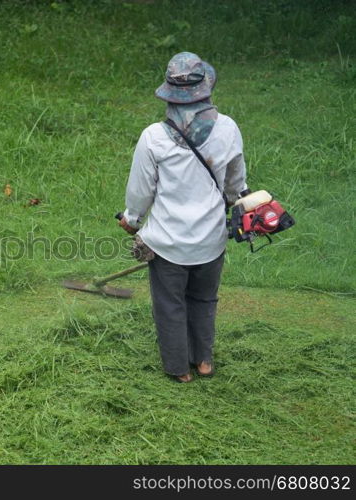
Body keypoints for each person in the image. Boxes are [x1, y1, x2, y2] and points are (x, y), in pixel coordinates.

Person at [118, 52, 247, 383]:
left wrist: (131, 220)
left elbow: (139, 193)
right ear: (205, 90)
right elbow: (236, 184)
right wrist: (230, 204)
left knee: (170, 305)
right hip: (211, 240)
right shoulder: (228, 129)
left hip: (167, 244)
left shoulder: (154, 137)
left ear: (170, 95)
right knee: (204, 299)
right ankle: (203, 361)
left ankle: (178, 370)